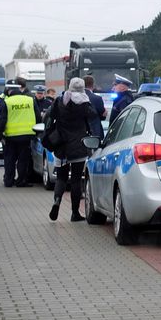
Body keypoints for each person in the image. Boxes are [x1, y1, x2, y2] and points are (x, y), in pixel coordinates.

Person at [44, 77, 98, 222]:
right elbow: (93, 115)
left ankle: (56, 201)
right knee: (75, 180)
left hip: (61, 145)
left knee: (61, 178)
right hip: (79, 146)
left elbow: (49, 116)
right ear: (82, 88)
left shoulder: (60, 101)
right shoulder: (85, 104)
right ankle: (75, 213)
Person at [0, 80, 37, 187]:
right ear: (19, 89)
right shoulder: (30, 100)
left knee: (10, 159)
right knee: (23, 159)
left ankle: (9, 181)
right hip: (27, 135)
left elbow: (2, 120)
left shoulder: (7, 102)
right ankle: (21, 181)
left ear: (9, 91)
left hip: (10, 136)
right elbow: (38, 116)